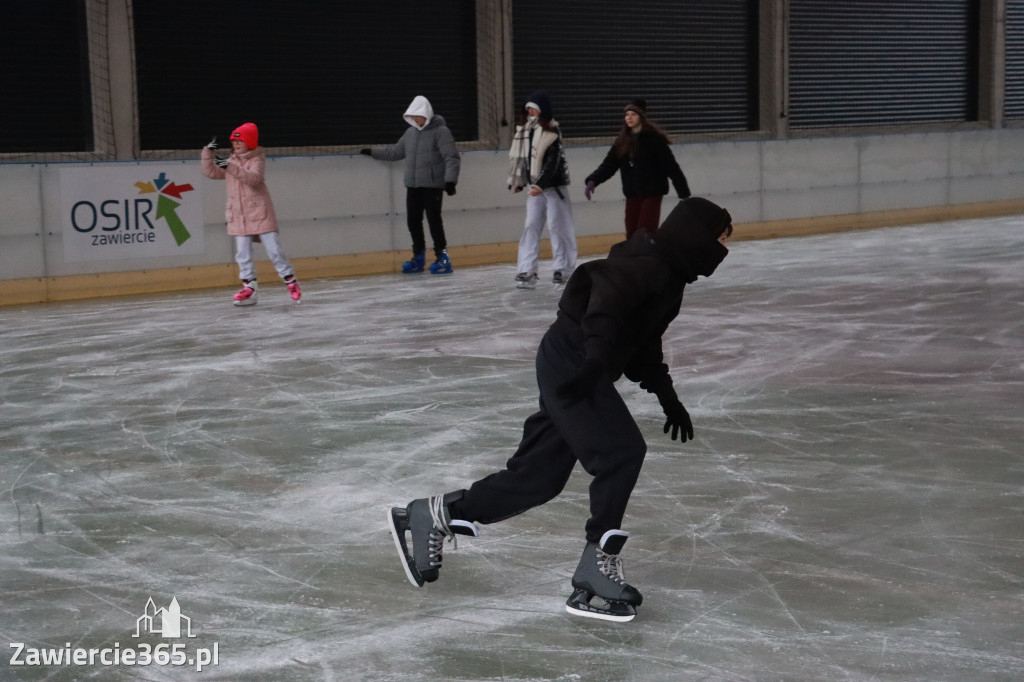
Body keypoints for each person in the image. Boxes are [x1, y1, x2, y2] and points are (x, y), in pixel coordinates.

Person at [388, 197, 734, 622]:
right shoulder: (650, 267)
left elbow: (643, 342)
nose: (722, 248)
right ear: (695, 236)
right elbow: (603, 301)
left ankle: (433, 514)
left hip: (574, 362)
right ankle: (595, 568)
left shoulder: (668, 277)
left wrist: (667, 396)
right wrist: (593, 362)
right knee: (621, 453)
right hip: (573, 360)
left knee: (537, 479)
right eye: (719, 238)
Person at [201, 122, 301, 306]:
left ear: (250, 142)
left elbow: (253, 179)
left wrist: (229, 166)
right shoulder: (231, 162)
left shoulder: (257, 160)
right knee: (243, 253)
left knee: (274, 250)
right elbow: (211, 172)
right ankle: (249, 288)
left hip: (259, 213)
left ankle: (290, 280)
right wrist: (208, 152)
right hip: (238, 216)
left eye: (240, 141)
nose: (236, 145)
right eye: (234, 142)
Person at [361, 96, 460, 275]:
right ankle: (418, 257)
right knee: (413, 221)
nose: (415, 120)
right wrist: (372, 152)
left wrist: (450, 180)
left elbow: (451, 157)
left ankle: (443, 258)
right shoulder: (410, 133)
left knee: (434, 222)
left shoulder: (441, 131)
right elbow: (396, 151)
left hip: (432, 185)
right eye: (413, 116)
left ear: (426, 114)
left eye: (418, 116)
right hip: (413, 185)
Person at [584, 100, 691, 239]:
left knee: (644, 232)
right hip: (632, 194)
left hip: (652, 193)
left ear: (641, 116)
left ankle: (647, 259)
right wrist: (593, 180)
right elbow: (609, 165)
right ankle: (634, 260)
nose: (629, 117)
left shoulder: (654, 140)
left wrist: (684, 194)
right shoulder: (622, 141)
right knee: (631, 233)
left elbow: (671, 167)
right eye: (627, 114)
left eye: (633, 114)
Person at [507, 90, 578, 289]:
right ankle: (527, 269)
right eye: (528, 108)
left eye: (534, 108)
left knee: (558, 226)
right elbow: (526, 161)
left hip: (555, 188)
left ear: (542, 110)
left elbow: (552, 163)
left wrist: (541, 184)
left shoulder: (552, 133)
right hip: (535, 188)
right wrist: (520, 182)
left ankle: (563, 269)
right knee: (530, 226)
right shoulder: (525, 132)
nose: (530, 111)